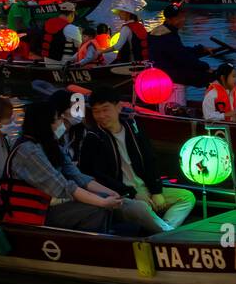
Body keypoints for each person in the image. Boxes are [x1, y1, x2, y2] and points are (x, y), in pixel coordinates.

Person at [79, 88, 196, 234]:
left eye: (105, 109)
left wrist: (156, 191)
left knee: (187, 197)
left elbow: (149, 159)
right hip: (119, 195)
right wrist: (132, 194)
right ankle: (167, 233)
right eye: (96, 111)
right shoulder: (93, 137)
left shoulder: (133, 128)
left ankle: (164, 227)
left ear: (118, 107)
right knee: (141, 207)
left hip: (144, 188)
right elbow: (96, 176)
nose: (101, 116)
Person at [0, 99, 121, 232]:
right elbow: (63, 187)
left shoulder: (50, 144)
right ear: (45, 123)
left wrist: (110, 193)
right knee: (96, 209)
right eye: (58, 119)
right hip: (32, 214)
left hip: (48, 205)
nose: (62, 122)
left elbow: (77, 176)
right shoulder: (29, 151)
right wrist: (103, 202)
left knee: (102, 200)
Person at [148, 4, 213, 103]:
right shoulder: (167, 36)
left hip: (168, 70)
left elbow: (180, 51)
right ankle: (211, 110)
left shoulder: (165, 31)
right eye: (179, 17)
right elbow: (184, 58)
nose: (183, 19)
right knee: (212, 78)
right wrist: (205, 67)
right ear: (170, 19)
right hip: (170, 74)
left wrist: (200, 50)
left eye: (182, 16)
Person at [30, 1, 82, 67]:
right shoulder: (72, 28)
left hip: (48, 63)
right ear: (71, 14)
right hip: (65, 64)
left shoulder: (46, 24)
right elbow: (80, 46)